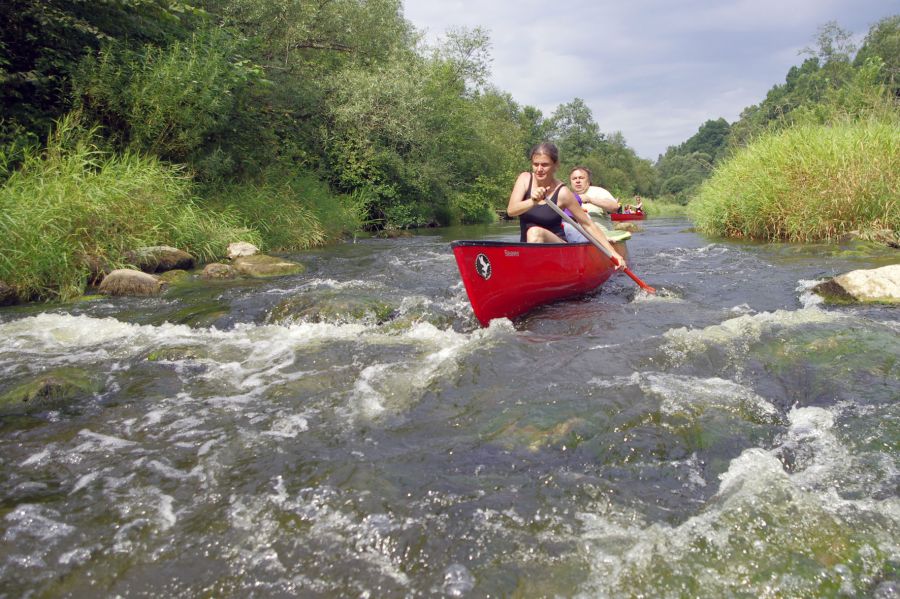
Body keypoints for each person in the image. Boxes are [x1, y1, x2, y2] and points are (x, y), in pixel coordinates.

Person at [506, 143, 625, 270]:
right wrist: (533, 201)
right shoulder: (524, 179)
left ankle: (532, 273)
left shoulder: (563, 193)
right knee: (530, 237)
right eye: (535, 164)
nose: (539, 169)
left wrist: (613, 253)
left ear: (555, 165)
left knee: (535, 232)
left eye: (545, 165)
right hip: (528, 251)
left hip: (558, 250)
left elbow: (587, 224)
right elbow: (511, 211)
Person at [565, 166, 630, 259]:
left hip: (604, 239)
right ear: (571, 182)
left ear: (588, 181)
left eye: (581, 178)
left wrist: (590, 199)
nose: (577, 181)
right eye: (574, 178)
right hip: (578, 241)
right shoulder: (567, 196)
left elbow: (615, 207)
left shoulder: (599, 192)